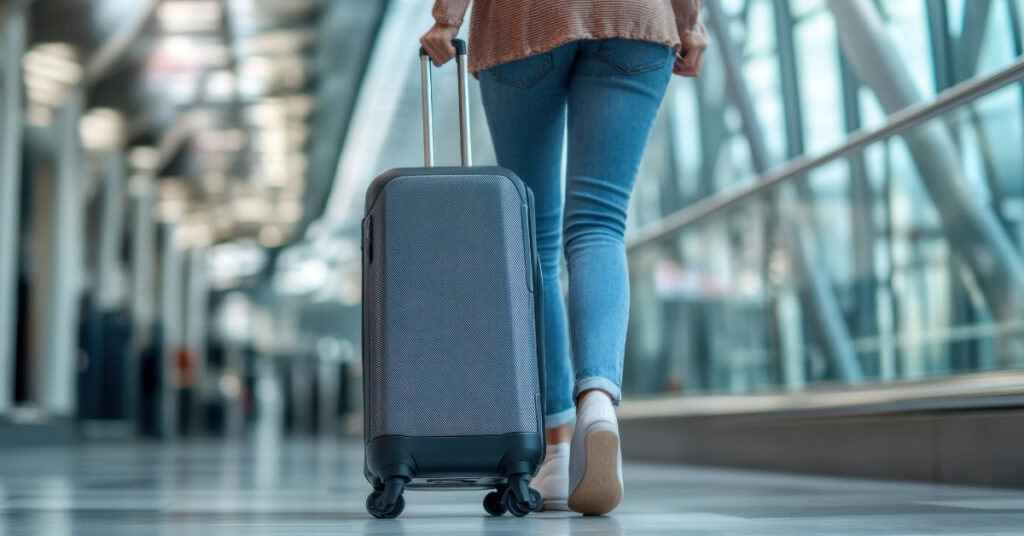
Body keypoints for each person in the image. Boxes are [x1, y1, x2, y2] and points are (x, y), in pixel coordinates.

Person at [421, 0, 708, 516]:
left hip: (523, 21)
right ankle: (598, 402)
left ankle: (556, 445)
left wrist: (447, 18)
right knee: (600, 223)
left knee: (536, 239)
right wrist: (689, 23)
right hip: (635, 19)